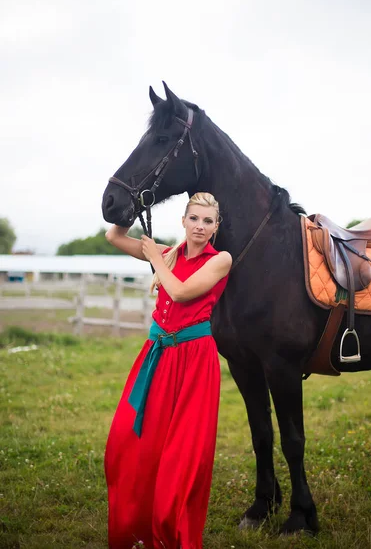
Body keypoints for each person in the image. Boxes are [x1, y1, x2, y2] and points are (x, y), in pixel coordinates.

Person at [104, 192, 232, 549]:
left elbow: (179, 291)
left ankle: (169, 532)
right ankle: (135, 525)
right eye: (194, 219)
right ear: (184, 221)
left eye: (208, 221)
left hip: (194, 362)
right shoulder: (168, 254)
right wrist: (129, 207)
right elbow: (113, 237)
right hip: (157, 357)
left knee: (182, 454)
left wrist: (158, 257)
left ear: (216, 227)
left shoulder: (220, 259)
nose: (200, 227)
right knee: (129, 443)